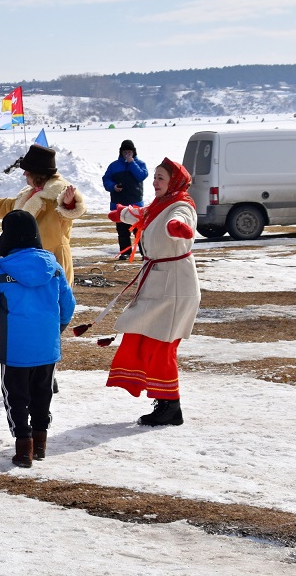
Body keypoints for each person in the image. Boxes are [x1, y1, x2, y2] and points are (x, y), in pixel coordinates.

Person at [0, 210, 76, 467]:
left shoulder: (0, 270)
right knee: (43, 395)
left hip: (15, 351)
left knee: (15, 397)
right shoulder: (54, 267)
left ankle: (23, 449)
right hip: (47, 349)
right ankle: (40, 444)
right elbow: (69, 304)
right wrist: (57, 329)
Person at [105, 158, 200, 427]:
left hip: (175, 286)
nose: (155, 182)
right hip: (159, 282)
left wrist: (177, 228)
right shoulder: (161, 205)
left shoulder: (181, 205)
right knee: (143, 337)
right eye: (155, 177)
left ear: (174, 183)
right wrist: (122, 213)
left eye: (161, 178)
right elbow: (142, 214)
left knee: (162, 345)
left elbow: (180, 220)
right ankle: (165, 401)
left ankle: (170, 406)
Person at [0, 144, 85, 285]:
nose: (24, 174)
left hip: (54, 260)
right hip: (29, 260)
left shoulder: (57, 196)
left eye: (27, 171)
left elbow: (69, 213)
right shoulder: (29, 194)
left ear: (37, 174)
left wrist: (69, 203)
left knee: (54, 302)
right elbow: (6, 206)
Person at [102, 139, 149, 260]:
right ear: (121, 153)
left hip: (135, 203)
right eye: (125, 152)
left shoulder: (140, 164)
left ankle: (145, 253)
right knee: (122, 231)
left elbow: (142, 176)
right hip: (119, 203)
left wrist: (132, 163)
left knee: (139, 231)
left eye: (129, 152)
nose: (127, 154)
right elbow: (106, 179)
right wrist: (113, 186)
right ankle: (125, 252)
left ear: (134, 152)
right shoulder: (114, 166)